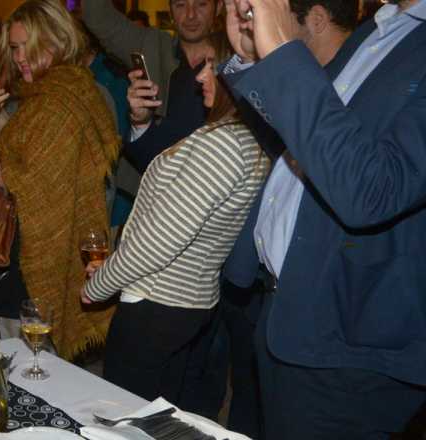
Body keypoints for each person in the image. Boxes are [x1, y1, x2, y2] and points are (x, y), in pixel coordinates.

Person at [219, 0, 426, 436]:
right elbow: (309, 140)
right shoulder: (381, 28)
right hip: (286, 311)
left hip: (349, 345)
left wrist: (281, 54)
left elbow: (373, 191)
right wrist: (256, 59)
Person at [81, 58, 269, 406]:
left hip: (158, 301)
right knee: (157, 416)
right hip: (183, 303)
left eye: (214, 66)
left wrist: (98, 286)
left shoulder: (225, 144)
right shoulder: (246, 138)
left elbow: (157, 243)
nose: (200, 76)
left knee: (123, 419)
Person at [0, 0, 121, 356]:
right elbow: (35, 158)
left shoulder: (58, 100)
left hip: (34, 261)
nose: (21, 57)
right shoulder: (54, 91)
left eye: (31, 46)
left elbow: (28, 184)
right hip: (29, 252)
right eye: (14, 48)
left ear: (57, 42)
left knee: (29, 365)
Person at [82, 0, 229, 172]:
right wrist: (141, 122)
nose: (190, 15)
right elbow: (96, 15)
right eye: (180, 5)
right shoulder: (153, 44)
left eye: (201, 4)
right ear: (170, 10)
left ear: (218, 8)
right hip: (151, 180)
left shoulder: (234, 57)